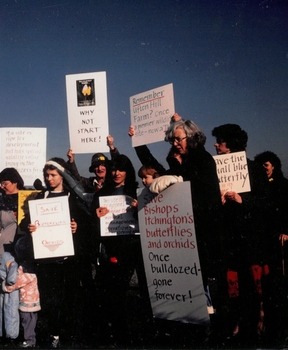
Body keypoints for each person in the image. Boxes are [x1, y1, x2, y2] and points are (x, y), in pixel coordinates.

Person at [148, 118, 226, 344]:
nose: (174, 144)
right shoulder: (185, 160)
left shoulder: (203, 159)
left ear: (191, 137)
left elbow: (204, 193)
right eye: (172, 140)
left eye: (178, 139)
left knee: (208, 291)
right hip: (188, 235)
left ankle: (211, 334)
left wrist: (180, 180)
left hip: (206, 236)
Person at [211, 124, 270, 344]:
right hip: (227, 235)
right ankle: (235, 322)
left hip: (250, 236)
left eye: (221, 141)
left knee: (251, 285)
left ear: (232, 144)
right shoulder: (214, 169)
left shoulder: (253, 169)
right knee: (230, 285)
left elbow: (266, 202)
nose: (216, 144)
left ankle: (256, 321)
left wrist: (242, 200)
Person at [20, 158, 81, 348]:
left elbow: (85, 224)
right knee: (50, 300)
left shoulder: (73, 197)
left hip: (67, 259)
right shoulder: (40, 198)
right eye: (46, 175)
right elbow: (25, 222)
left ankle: (67, 334)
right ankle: (54, 333)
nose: (49, 179)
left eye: (53, 175)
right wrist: (29, 226)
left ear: (62, 176)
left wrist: (76, 226)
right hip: (46, 259)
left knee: (69, 299)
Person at [93, 154, 149, 346]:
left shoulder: (137, 191)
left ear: (128, 171)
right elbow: (95, 222)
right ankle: (118, 333)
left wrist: (140, 208)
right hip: (111, 249)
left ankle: (141, 332)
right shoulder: (102, 194)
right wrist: (96, 214)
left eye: (121, 169)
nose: (116, 173)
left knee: (137, 294)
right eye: (114, 169)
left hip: (133, 248)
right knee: (113, 295)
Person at [254, 150, 288, 344]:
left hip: (280, 240)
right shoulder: (259, 186)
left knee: (278, 280)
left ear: (274, 165)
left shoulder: (284, 185)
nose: (264, 169)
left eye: (266, 165)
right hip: (263, 238)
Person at [2, 235, 41, 348]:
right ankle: (30, 339)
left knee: (27, 321)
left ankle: (29, 340)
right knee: (31, 321)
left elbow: (17, 282)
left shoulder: (26, 270)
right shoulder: (32, 267)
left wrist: (5, 286)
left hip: (27, 303)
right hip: (33, 301)